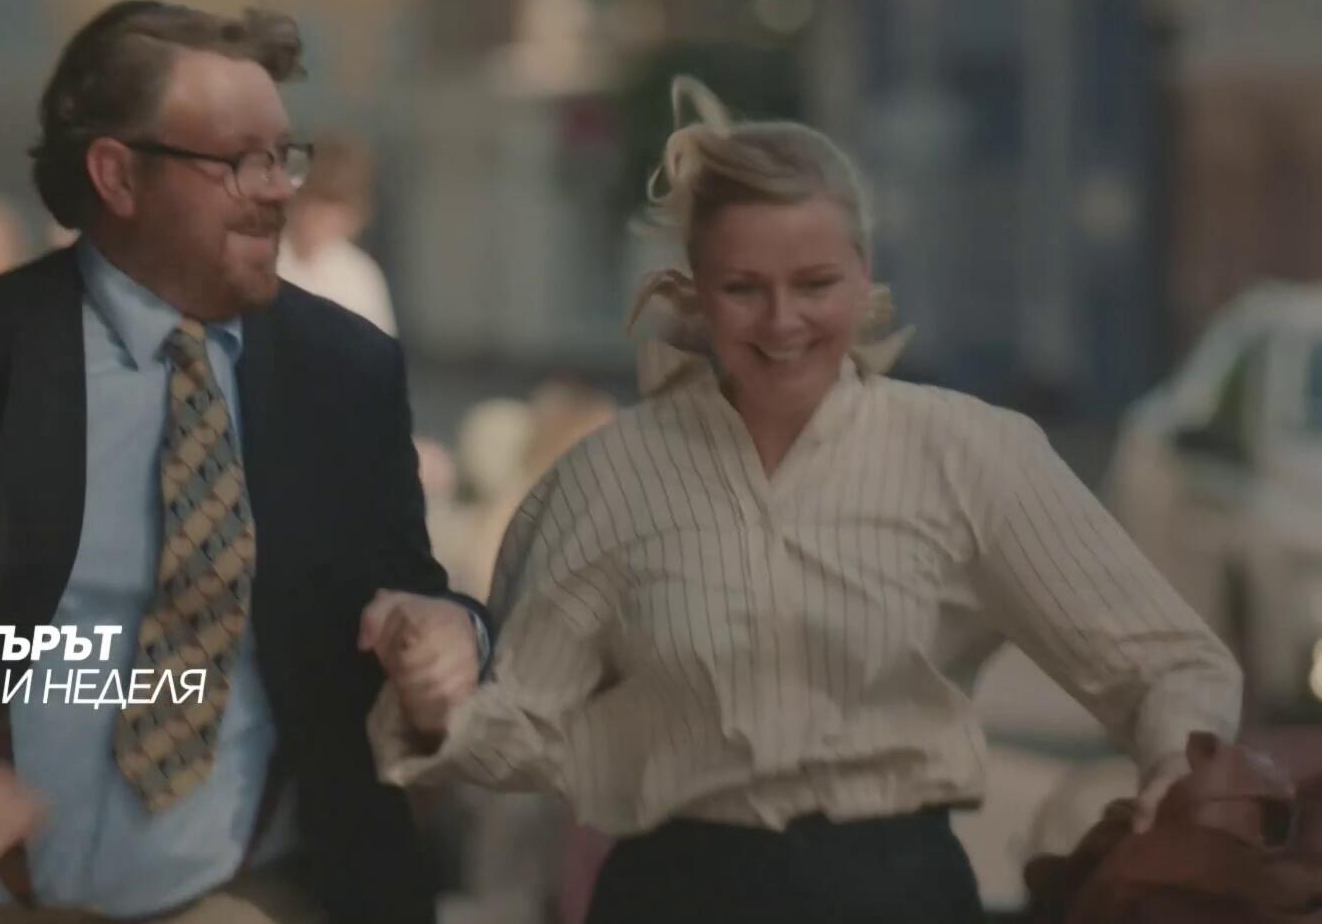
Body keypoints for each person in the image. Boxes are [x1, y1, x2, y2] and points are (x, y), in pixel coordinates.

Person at [368, 78, 1244, 924]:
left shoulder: (971, 455)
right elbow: (525, 725)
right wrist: (437, 700)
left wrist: (1177, 764)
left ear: (865, 278)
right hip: (675, 898)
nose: (782, 321)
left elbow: (1165, 663)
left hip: (897, 897)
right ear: (697, 290)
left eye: (816, 284)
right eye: (744, 288)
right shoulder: (607, 481)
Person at [0, 0, 487, 924]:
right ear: (118, 175)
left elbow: (411, 597)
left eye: (283, 156)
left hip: (242, 896)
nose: (277, 190)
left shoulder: (346, 369)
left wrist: (454, 636)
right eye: (238, 162)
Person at [274, 135, 396, 337]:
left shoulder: (359, 276)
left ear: (354, 217)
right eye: (311, 202)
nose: (316, 218)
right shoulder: (261, 261)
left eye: (331, 210)